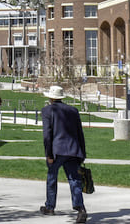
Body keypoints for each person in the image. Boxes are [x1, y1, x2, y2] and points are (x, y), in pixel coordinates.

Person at [40, 85, 87, 223]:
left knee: (52, 178)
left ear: (51, 97)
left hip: (57, 151)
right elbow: (80, 133)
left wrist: (48, 154)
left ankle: (50, 206)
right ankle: (81, 209)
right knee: (74, 180)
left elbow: (47, 135)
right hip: (73, 150)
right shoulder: (73, 110)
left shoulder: (47, 110)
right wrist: (82, 153)